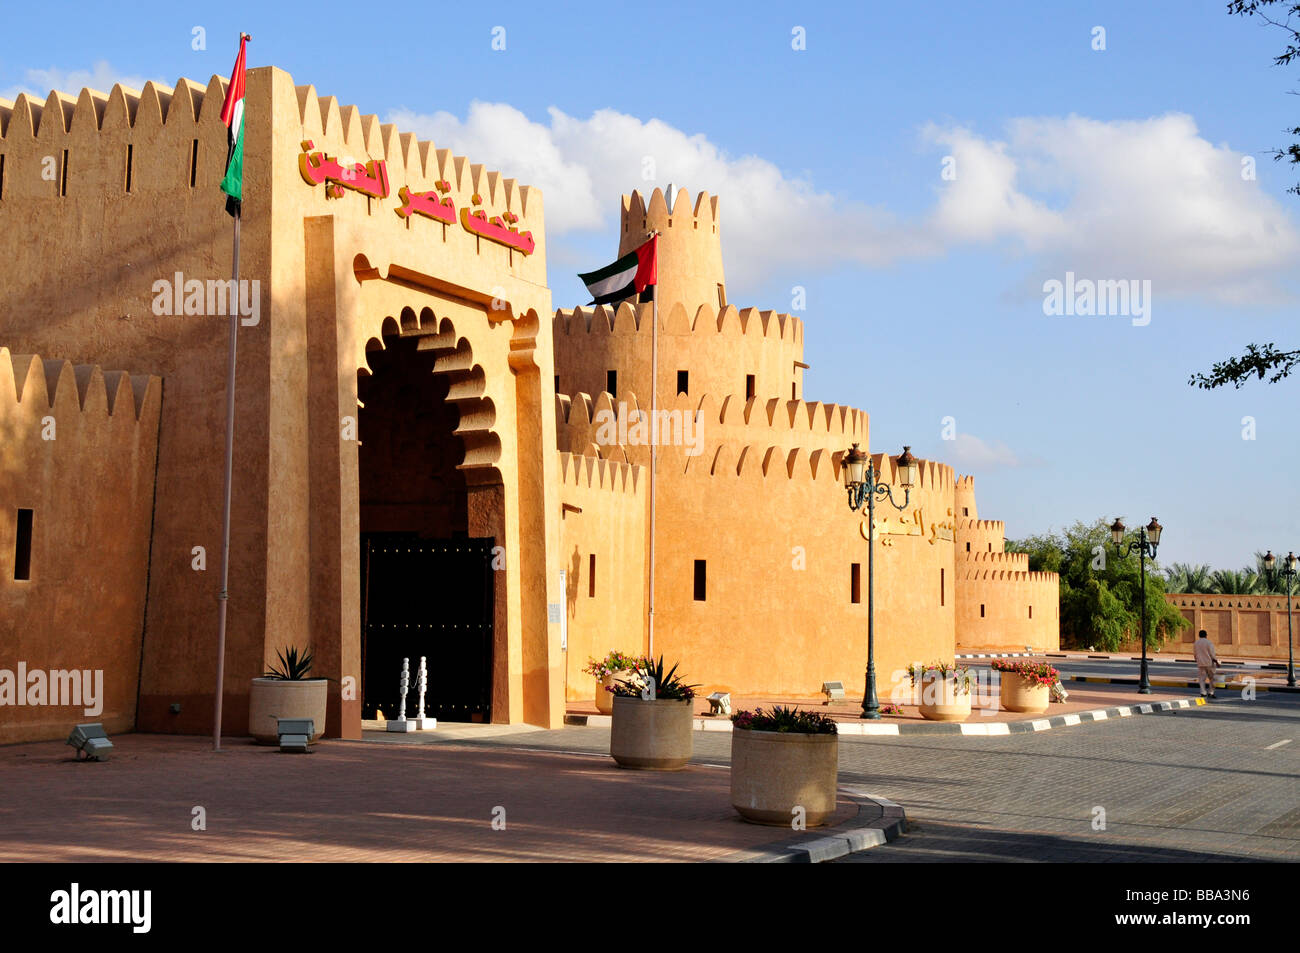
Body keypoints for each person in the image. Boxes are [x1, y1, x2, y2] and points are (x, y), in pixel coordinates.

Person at [1193, 630, 1219, 698]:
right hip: (1209, 663)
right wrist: (1216, 662)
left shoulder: (1196, 643)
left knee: (1201, 679)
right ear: (1206, 635)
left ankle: (1203, 692)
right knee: (1212, 678)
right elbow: (1212, 654)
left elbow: (1195, 654)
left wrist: (1197, 660)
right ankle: (1211, 692)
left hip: (1200, 663)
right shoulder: (1209, 643)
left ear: (1199, 635)